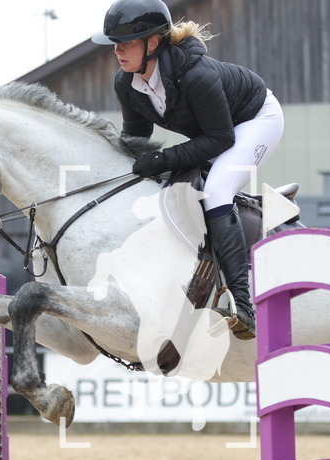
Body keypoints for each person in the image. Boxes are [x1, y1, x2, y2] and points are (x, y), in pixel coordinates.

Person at [92, 0, 285, 340]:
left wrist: (164, 159)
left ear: (153, 43)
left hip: (256, 121)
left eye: (126, 43)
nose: (117, 51)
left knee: (217, 190)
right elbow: (136, 137)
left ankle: (243, 304)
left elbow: (220, 139)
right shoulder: (127, 82)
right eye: (114, 44)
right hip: (216, 131)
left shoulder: (196, 75)